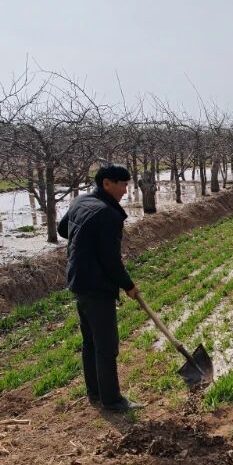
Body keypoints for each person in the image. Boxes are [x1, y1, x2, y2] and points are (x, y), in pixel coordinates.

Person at [58, 164, 143, 412]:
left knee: (91, 342)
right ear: (107, 183)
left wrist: (83, 244)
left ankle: (94, 392)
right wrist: (128, 285)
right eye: (122, 184)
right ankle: (112, 400)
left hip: (78, 281)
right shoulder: (107, 214)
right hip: (96, 286)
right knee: (106, 345)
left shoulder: (81, 201)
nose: (126, 190)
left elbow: (64, 229)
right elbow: (110, 261)